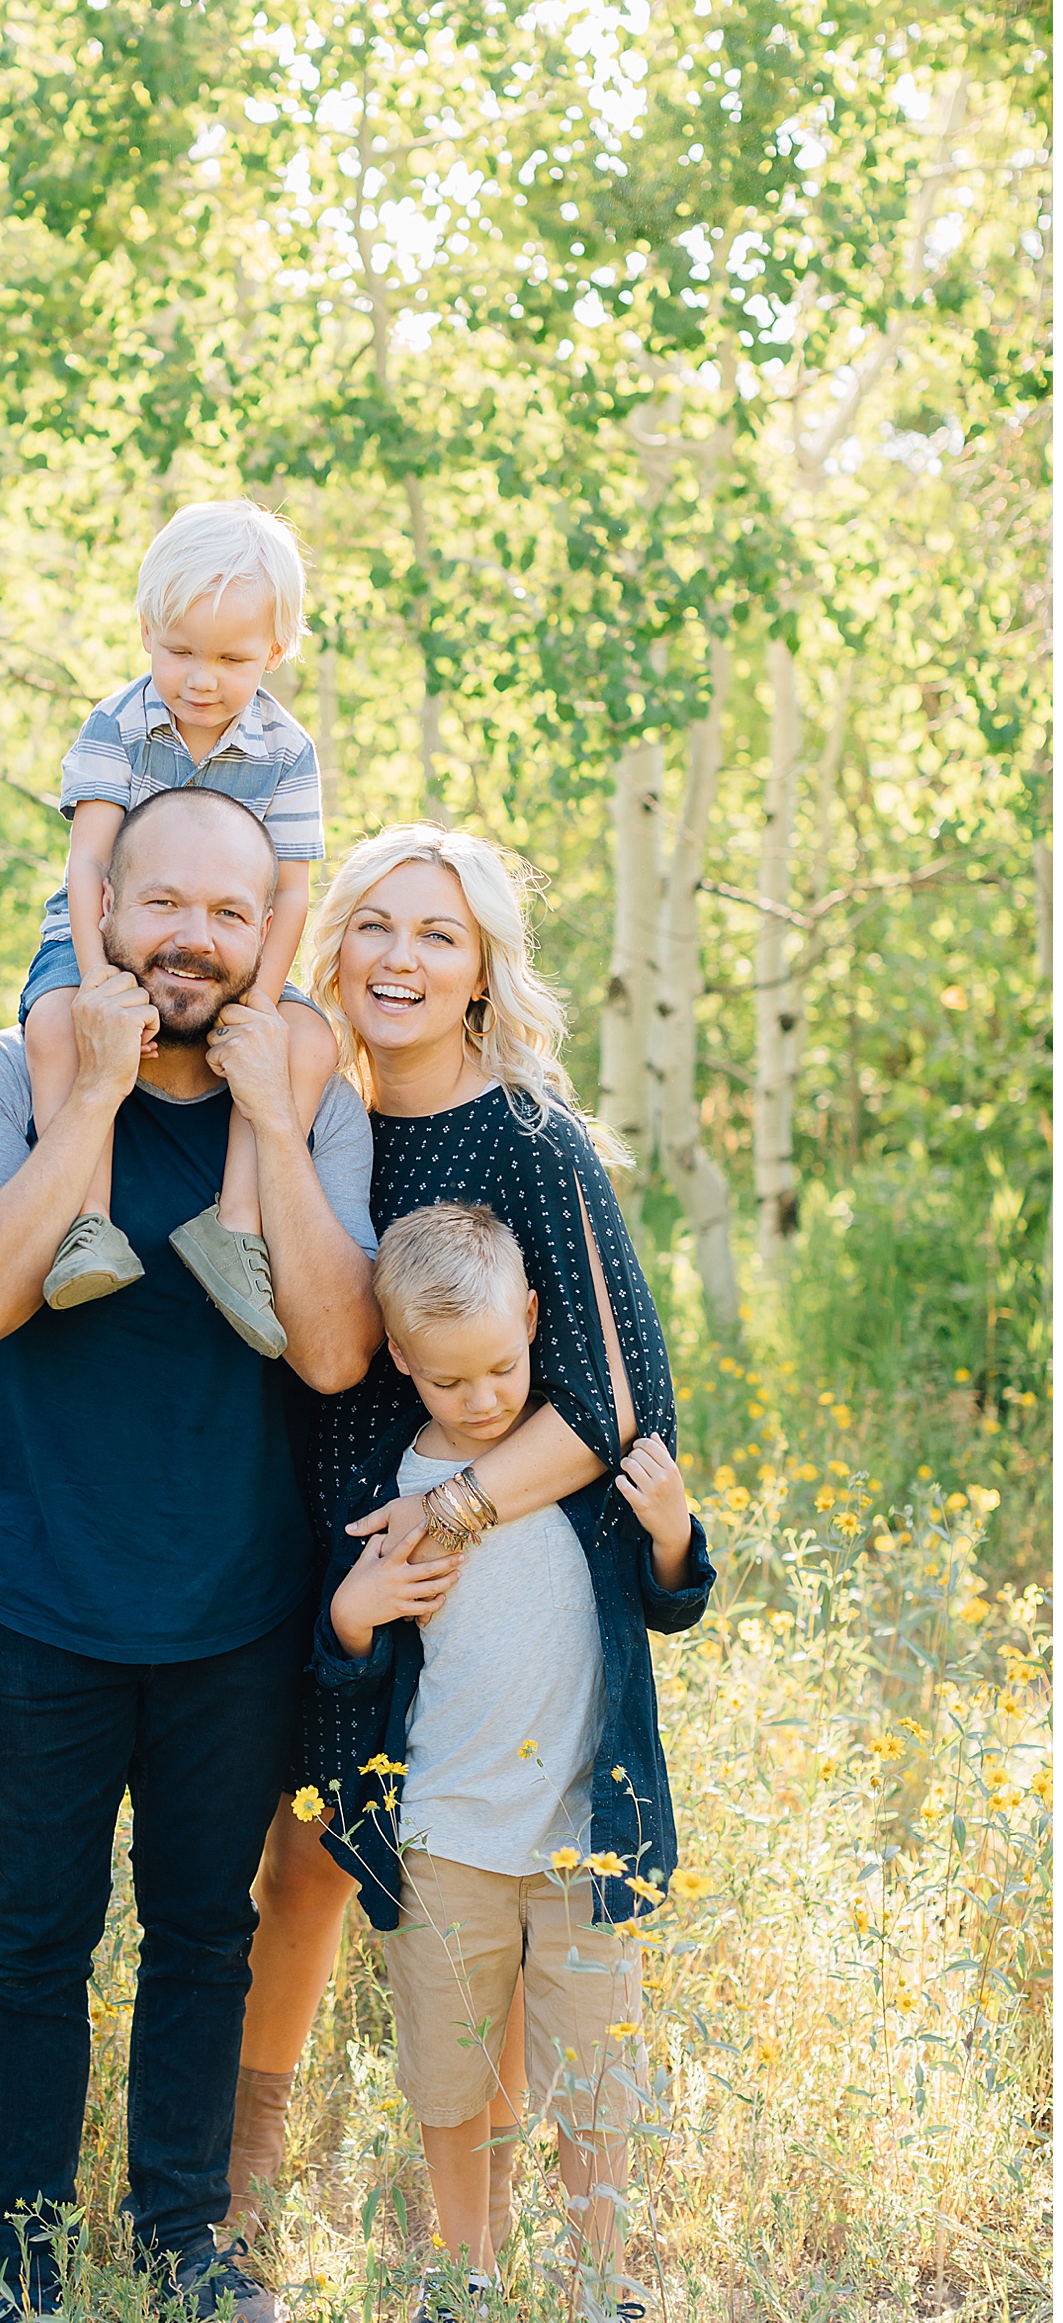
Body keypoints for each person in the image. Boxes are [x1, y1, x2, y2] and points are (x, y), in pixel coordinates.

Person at [0, 785, 383, 2323]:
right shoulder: (9, 1074)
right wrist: (90, 1105)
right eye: (163, 903)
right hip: (38, 1601)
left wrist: (265, 1124)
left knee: (202, 1938)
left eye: (230, 913)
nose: (192, 935)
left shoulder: (309, 1099)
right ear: (103, 905)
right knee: (35, 1944)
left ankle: (186, 2248)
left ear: (270, 935)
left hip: (234, 1611)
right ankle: (25, 2284)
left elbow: (329, 1349)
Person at [228, 821, 680, 2245]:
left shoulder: (529, 1134)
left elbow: (621, 1398)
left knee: (482, 1873)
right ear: (336, 944)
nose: (401, 959)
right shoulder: (319, 1117)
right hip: (338, 1560)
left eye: (438, 934)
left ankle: (467, 2252)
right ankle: (244, 2185)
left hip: (495, 1582)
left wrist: (453, 1511)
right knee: (306, 1853)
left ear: (483, 966)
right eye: (375, 925)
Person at [310, 1200, 716, 2323]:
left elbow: (674, 1598)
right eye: (450, 1376)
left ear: (535, 1320)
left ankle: (603, 2306)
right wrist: (352, 1613)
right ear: (399, 1360)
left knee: (594, 2080)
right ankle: (465, 2277)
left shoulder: (573, 1461)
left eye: (502, 1364)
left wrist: (674, 1528)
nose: (483, 1396)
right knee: (452, 2073)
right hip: (444, 1834)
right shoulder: (392, 1487)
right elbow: (355, 1659)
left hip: (584, 1834)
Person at [21, 499, 336, 1358]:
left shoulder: (287, 750)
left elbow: (295, 894)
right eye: (179, 652)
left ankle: (235, 1229)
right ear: (147, 631)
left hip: (237, 956)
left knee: (301, 1047)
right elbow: (87, 867)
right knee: (56, 1026)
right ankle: (83, 1219)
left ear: (275, 652)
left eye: (233, 659)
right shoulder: (116, 726)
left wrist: (263, 1004)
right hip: (100, 935)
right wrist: (96, 981)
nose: (201, 680)